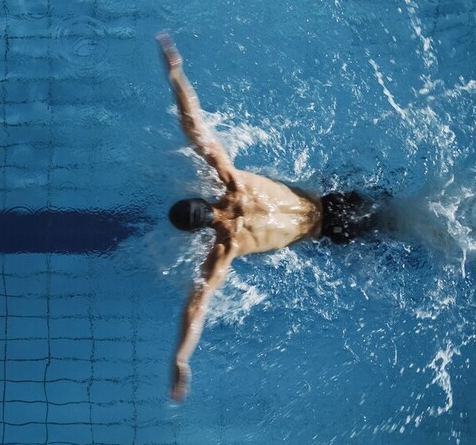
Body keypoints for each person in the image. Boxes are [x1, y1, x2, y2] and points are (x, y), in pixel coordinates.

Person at [159, 33, 379, 401]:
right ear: (201, 194)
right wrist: (176, 75)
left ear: (197, 232)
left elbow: (197, 306)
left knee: (397, 231)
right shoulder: (232, 181)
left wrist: (182, 359)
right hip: (336, 201)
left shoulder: (225, 249)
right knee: (397, 209)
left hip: (333, 233)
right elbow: (195, 127)